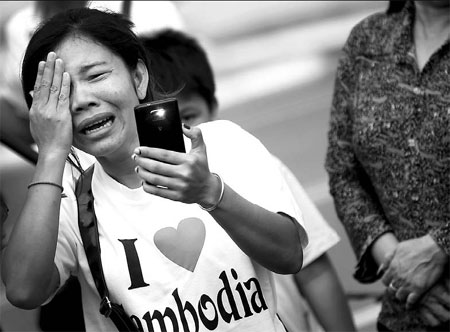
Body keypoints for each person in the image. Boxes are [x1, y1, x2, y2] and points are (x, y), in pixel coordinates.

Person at [1, 8, 307, 332]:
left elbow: (289, 256)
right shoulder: (66, 192)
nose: (82, 101)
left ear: (138, 77)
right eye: (62, 91)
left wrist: (212, 194)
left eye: (95, 75)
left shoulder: (225, 143)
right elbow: (23, 290)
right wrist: (50, 153)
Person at [142, 28, 356, 332]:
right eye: (167, 123)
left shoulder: (257, 164)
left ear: (213, 105)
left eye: (190, 117)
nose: (186, 132)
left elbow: (314, 270)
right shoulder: (138, 192)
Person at [325, 1, 449, 331]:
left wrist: (441, 247)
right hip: (405, 316)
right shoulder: (367, 41)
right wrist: (399, 268)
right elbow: (343, 172)